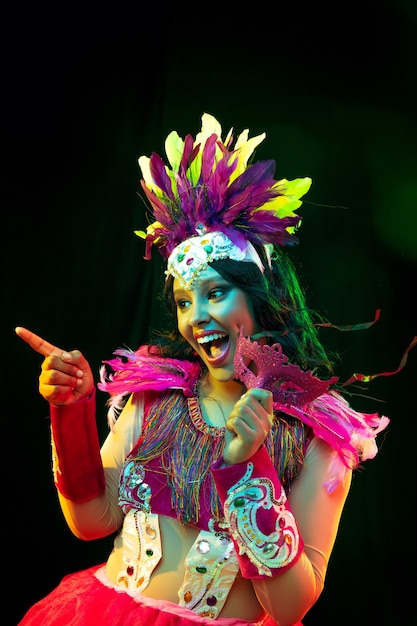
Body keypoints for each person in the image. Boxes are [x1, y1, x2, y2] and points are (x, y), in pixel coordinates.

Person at [16, 113, 390, 626]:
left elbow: (289, 608)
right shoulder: (153, 396)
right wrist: (69, 408)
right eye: (184, 301)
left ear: (258, 297)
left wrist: (246, 466)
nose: (197, 318)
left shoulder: (318, 431)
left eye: (215, 294)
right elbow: (90, 520)